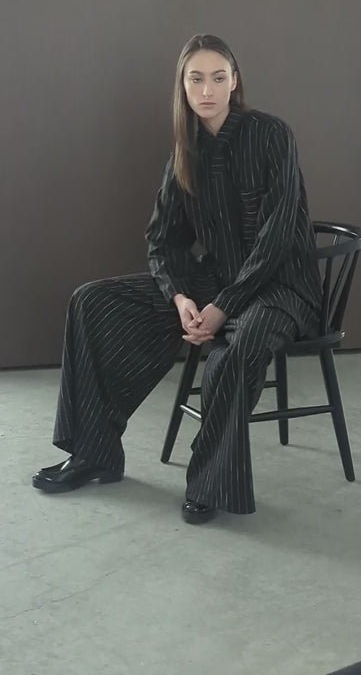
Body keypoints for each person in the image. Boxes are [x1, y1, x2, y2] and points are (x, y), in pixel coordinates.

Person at [32, 33, 322, 524]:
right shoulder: (185, 153)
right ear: (183, 87)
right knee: (90, 300)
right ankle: (93, 452)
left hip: (281, 286)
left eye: (218, 77)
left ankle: (210, 483)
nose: (207, 89)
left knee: (236, 348)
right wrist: (181, 297)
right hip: (215, 283)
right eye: (196, 79)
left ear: (234, 82)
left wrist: (224, 306)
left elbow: (275, 242)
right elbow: (162, 240)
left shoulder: (273, 135)